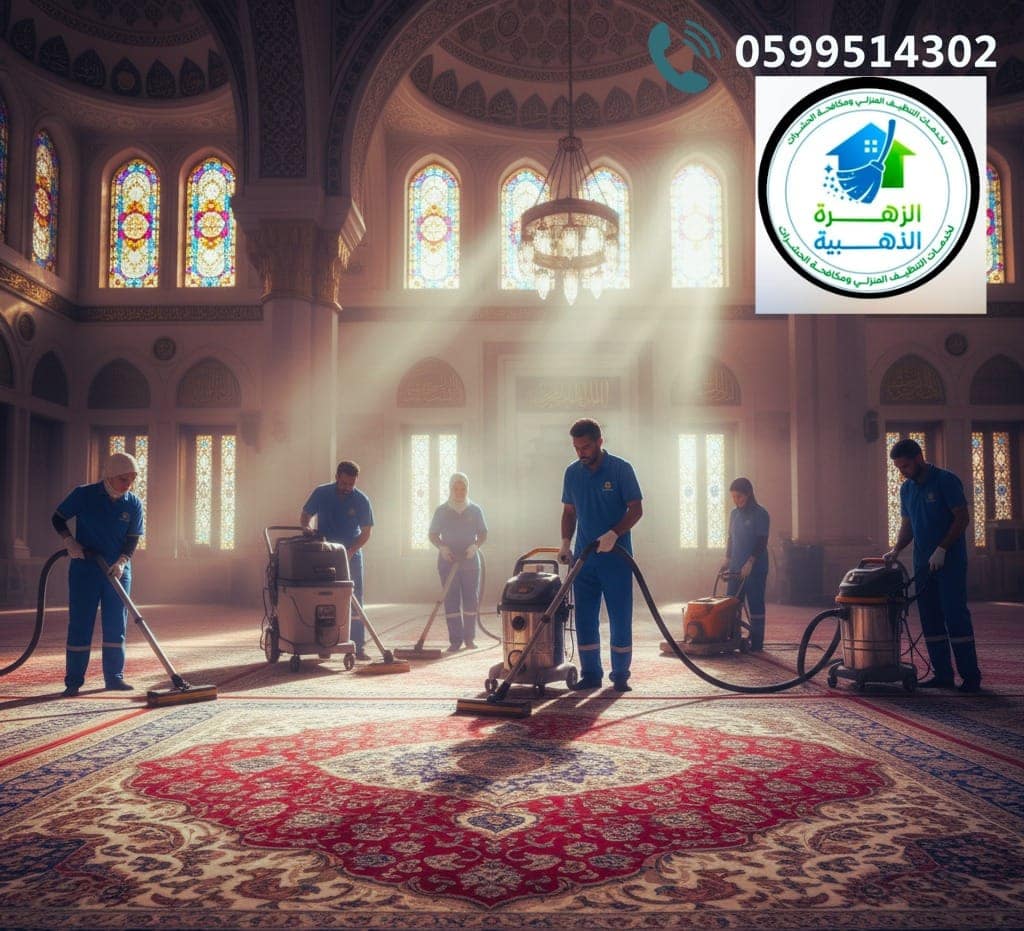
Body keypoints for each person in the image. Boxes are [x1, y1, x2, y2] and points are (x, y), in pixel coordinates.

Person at [885, 438, 982, 692]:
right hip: (922, 563)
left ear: (919, 458)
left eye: (905, 466)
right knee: (930, 618)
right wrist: (896, 550)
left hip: (949, 561)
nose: (902, 472)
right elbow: (908, 525)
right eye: (898, 468)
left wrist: (942, 548)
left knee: (955, 615)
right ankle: (943, 674)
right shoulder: (906, 489)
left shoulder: (946, 481)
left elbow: (962, 518)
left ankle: (970, 676)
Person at [558, 419, 643, 692]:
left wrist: (614, 534)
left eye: (585, 447)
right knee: (584, 617)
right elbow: (569, 512)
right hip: (584, 559)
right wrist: (564, 542)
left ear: (599, 442)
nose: (581, 452)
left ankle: (620, 675)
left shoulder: (621, 470)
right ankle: (591, 673)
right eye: (576, 448)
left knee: (619, 617)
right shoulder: (572, 473)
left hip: (616, 558)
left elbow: (636, 510)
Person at [52, 452, 145, 697]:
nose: (128, 484)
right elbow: (58, 518)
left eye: (132, 479)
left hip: (117, 570)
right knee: (81, 623)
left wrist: (124, 560)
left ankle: (114, 678)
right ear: (110, 476)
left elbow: (133, 538)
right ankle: (73, 681)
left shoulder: (133, 503)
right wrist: (70, 541)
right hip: (86, 568)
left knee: (117, 623)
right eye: (124, 479)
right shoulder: (84, 495)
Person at [301, 460, 374, 659]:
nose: (347, 488)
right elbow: (305, 515)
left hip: (351, 554)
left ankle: (357, 647)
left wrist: (351, 551)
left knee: (354, 599)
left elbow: (366, 533)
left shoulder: (361, 500)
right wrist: (306, 528)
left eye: (351, 485)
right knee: (323, 597)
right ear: (336, 478)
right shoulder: (321, 493)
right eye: (344, 484)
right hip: (324, 553)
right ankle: (324, 644)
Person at [428, 472, 488, 652]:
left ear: (467, 489)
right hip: (448, 561)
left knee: (471, 599)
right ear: (450, 489)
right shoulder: (441, 511)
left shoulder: (475, 510)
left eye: (463, 489)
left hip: (470, 562)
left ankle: (469, 639)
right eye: (456, 488)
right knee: (451, 600)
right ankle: (455, 641)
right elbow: (432, 534)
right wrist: (442, 548)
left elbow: (483, 533)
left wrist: (475, 547)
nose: (460, 492)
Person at [720, 477, 770, 652]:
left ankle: (757, 642)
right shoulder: (734, 514)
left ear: (748, 494)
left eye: (739, 496)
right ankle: (733, 639)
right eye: (733, 497)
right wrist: (727, 560)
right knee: (732, 604)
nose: (736, 500)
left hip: (755, 569)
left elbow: (762, 541)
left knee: (755, 604)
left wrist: (750, 561)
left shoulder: (761, 514)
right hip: (735, 568)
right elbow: (731, 539)